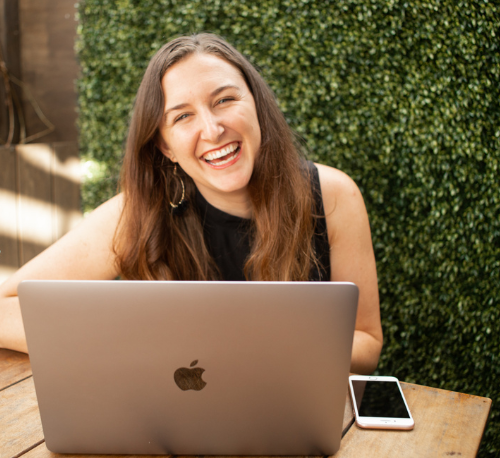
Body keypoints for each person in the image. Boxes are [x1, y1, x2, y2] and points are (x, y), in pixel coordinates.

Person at [0, 33, 383, 374]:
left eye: (225, 100)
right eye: (182, 116)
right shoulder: (138, 212)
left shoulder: (333, 194)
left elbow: (365, 341)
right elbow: (7, 306)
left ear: (257, 106)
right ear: (164, 145)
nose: (212, 130)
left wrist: (254, 351)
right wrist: (126, 336)